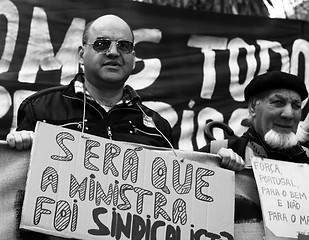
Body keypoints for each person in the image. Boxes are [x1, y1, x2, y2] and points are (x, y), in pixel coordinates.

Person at [6, 14, 244, 171]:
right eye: (101, 44)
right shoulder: (39, 107)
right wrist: (18, 147)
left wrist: (221, 167)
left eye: (124, 46)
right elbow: (18, 182)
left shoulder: (158, 127)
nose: (113, 52)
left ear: (133, 57)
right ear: (81, 54)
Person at [200, 70, 309, 223]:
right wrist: (211, 164)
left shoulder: (307, 160)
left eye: (296, 106)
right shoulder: (218, 152)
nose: (289, 114)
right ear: (252, 108)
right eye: (278, 102)